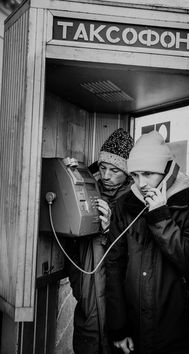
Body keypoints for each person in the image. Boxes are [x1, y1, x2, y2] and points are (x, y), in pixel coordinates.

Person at [105, 131, 189, 354]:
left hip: (176, 328)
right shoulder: (125, 204)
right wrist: (118, 327)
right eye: (135, 175)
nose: (141, 184)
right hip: (134, 325)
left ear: (167, 170)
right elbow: (114, 267)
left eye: (148, 174)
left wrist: (161, 218)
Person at [67, 128, 134, 354]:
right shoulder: (89, 188)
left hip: (119, 307)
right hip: (88, 299)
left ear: (128, 173)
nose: (106, 176)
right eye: (103, 168)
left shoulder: (134, 201)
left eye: (115, 170)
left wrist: (109, 229)